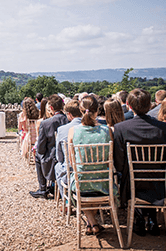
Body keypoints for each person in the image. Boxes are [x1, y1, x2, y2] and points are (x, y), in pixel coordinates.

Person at [113, 88, 166, 236]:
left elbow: (119, 162)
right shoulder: (165, 128)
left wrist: (124, 172)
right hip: (160, 181)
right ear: (150, 106)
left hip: (133, 183)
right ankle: (152, 219)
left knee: (132, 176)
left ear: (129, 105)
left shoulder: (121, 128)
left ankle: (139, 218)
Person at [68, 95, 116, 235]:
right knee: (92, 184)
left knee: (82, 183)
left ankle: (91, 222)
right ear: (97, 111)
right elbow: (110, 158)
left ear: (81, 111)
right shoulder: (107, 131)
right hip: (104, 184)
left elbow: (73, 163)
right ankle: (93, 222)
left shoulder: (73, 131)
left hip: (81, 183)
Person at [30, 94, 68, 199]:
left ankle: (43, 188)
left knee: (37, 155)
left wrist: (39, 152)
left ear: (51, 108)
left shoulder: (46, 123)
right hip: (68, 156)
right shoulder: (68, 120)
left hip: (53, 159)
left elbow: (41, 147)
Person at [54, 100, 82, 202]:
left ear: (69, 115)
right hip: (92, 170)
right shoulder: (94, 128)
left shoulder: (62, 130)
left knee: (57, 166)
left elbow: (59, 156)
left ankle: (66, 201)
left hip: (71, 172)